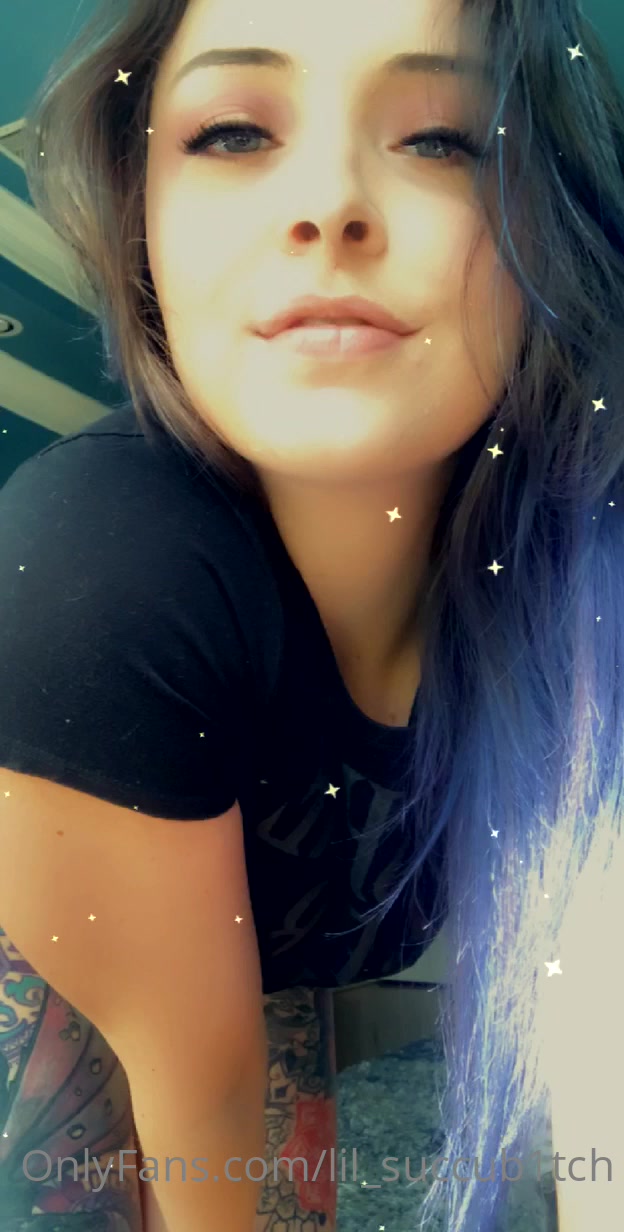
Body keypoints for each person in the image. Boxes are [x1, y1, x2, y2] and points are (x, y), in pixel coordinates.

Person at [0, 0, 623, 1228]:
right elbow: (200, 1100)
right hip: (64, 1013)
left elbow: (595, 1029)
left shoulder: (577, 573)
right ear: (144, 224)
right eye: (233, 133)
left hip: (267, 988)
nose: (330, 204)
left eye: (443, 137)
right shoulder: (94, 581)